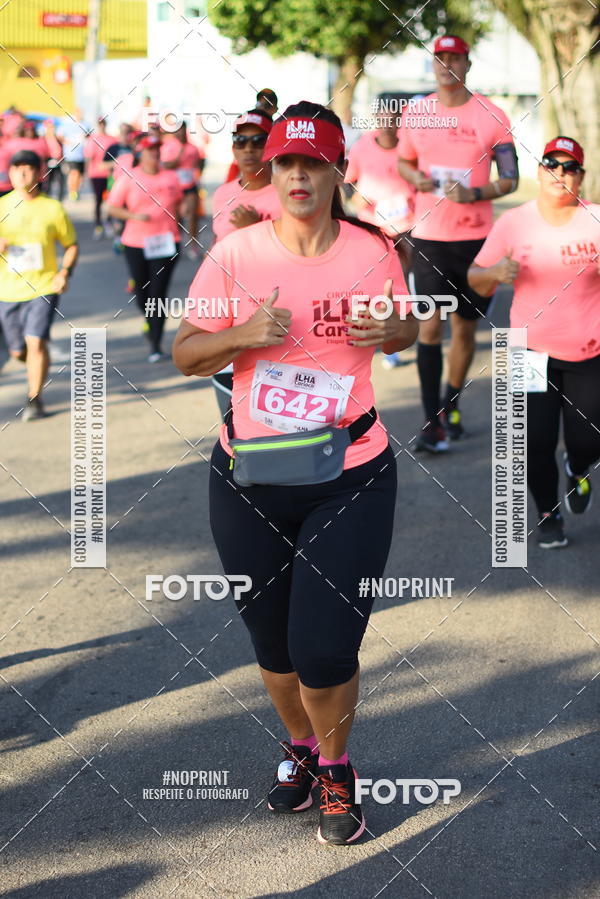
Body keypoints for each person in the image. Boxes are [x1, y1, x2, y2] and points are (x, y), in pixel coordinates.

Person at [173, 100, 418, 845]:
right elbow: (188, 350)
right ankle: (303, 748)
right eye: (285, 161)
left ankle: (338, 769)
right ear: (269, 171)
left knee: (323, 648)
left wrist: (395, 330)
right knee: (274, 650)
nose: (299, 174)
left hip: (350, 471)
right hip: (250, 473)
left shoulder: (374, 250)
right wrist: (243, 334)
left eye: (314, 161)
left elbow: (409, 325)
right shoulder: (237, 255)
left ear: (339, 170)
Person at [468, 136, 600, 548]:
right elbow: (475, 276)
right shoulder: (514, 222)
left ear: (581, 176)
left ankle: (577, 469)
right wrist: (495, 275)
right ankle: (548, 513)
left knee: (589, 441)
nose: (560, 173)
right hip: (525, 350)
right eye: (551, 165)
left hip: (588, 350)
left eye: (569, 167)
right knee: (532, 443)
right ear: (540, 171)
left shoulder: (594, 219)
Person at [397, 34, 519, 452]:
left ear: (468, 64)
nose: (447, 65)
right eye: (440, 58)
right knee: (430, 327)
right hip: (429, 238)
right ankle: (431, 421)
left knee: (464, 331)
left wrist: (477, 194)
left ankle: (450, 407)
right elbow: (403, 161)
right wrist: (413, 177)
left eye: (455, 58)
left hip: (476, 241)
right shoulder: (417, 112)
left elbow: (511, 178)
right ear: (433, 64)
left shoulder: (492, 115)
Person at [210, 110, 281, 417]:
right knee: (230, 415)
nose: (249, 149)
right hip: (228, 316)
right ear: (233, 148)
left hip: (273, 315)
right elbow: (218, 250)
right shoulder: (223, 193)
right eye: (241, 141)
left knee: (267, 415)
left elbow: (297, 256)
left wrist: (254, 228)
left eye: (257, 141)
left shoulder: (285, 193)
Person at [0, 150, 78, 419]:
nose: (22, 172)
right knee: (18, 349)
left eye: (28, 168)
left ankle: (34, 400)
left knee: (35, 342)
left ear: (39, 172)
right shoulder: (1, 206)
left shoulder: (52, 208)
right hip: (7, 290)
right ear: (9, 173)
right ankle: (32, 360)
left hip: (43, 287)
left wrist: (64, 272)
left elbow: (70, 245)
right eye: (17, 167)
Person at [346, 105, 415, 368]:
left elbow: (421, 179)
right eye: (382, 118)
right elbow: (346, 179)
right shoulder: (363, 146)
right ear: (376, 119)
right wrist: (356, 198)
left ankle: (392, 345)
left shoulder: (408, 147)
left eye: (392, 118)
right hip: (372, 226)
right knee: (370, 283)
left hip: (405, 226)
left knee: (399, 284)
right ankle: (359, 333)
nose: (387, 123)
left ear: (399, 120)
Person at [106, 134, 183, 362]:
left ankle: (156, 345)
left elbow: (178, 204)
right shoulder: (129, 178)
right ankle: (149, 320)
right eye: (150, 150)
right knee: (142, 294)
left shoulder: (171, 176)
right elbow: (112, 208)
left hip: (167, 243)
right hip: (136, 243)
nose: (155, 154)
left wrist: (180, 226)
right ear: (141, 153)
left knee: (158, 293)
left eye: (157, 150)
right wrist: (134, 215)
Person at [160, 122, 202, 258]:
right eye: (177, 131)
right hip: (174, 187)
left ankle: (193, 245)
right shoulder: (168, 147)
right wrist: (178, 157)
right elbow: (165, 166)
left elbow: (197, 165)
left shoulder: (193, 148)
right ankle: (176, 245)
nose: (180, 133)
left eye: (182, 130)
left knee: (192, 215)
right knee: (176, 218)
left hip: (190, 186)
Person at [84, 117, 114, 238]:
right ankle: (98, 225)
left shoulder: (112, 139)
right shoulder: (93, 139)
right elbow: (89, 157)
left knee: (112, 200)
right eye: (100, 123)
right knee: (98, 200)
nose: (102, 125)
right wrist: (86, 173)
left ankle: (109, 222)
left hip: (110, 175)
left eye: (103, 123)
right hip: (96, 174)